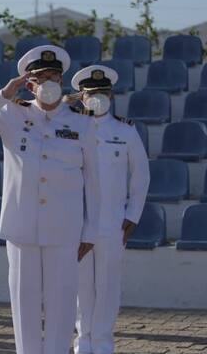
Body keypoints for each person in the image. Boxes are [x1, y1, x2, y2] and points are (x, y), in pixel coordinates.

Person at [0, 45, 101, 354]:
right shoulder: (11, 113)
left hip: (65, 229)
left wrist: (90, 231)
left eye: (53, 76)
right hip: (21, 227)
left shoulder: (83, 124)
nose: (47, 82)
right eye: (39, 77)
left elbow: (94, 184)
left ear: (62, 80)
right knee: (24, 305)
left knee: (62, 304)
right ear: (29, 83)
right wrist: (5, 93)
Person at [70, 65, 149, 354]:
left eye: (103, 93)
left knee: (107, 285)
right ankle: (83, 340)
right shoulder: (71, 129)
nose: (98, 98)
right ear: (81, 96)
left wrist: (133, 215)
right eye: (91, 93)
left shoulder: (125, 130)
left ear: (112, 95)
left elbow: (141, 174)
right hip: (77, 222)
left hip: (112, 222)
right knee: (81, 286)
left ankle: (102, 341)